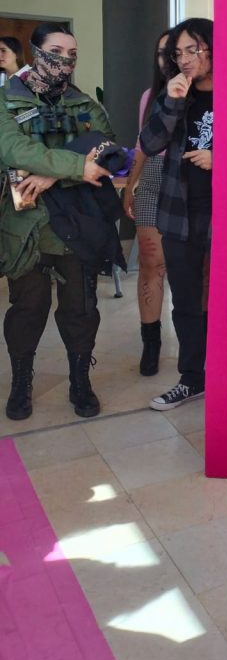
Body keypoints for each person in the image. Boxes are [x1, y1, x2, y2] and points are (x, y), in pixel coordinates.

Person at [0, 23, 115, 420]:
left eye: (72, 54)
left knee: (80, 310)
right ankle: (21, 384)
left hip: (77, 226)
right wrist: (77, 165)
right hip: (26, 227)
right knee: (27, 309)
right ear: (35, 52)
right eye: (56, 51)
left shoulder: (85, 104)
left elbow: (108, 151)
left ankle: (80, 381)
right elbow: (13, 149)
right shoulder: (6, 100)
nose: (65, 60)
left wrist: (51, 175)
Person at [140, 18, 213, 410]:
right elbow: (150, 143)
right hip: (179, 212)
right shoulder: (174, 92)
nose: (184, 59)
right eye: (178, 53)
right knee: (184, 300)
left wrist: (221, 158)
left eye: (193, 50)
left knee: (226, 299)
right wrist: (171, 101)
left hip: (226, 215)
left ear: (213, 49)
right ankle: (192, 378)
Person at [123, 32, 171, 376]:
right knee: (151, 264)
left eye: (175, 52)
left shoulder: (208, 96)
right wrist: (130, 186)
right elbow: (142, 144)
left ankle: (198, 342)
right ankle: (150, 343)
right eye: (162, 53)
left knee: (197, 268)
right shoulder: (149, 97)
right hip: (152, 178)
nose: (168, 59)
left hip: (192, 178)